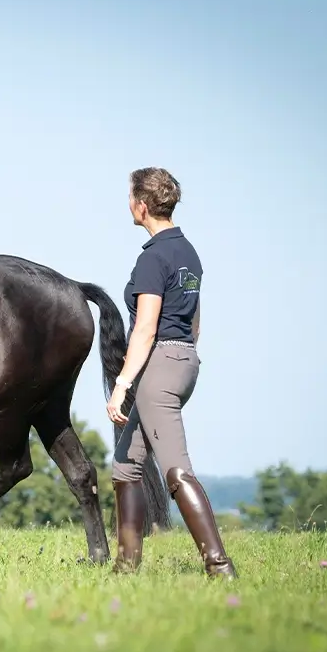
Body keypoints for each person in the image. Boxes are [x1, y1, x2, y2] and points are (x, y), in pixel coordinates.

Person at [105, 167, 237, 578]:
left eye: (131, 197)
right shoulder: (187, 252)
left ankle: (219, 566)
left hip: (158, 365)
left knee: (176, 472)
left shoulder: (153, 258)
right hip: (184, 360)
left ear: (142, 206)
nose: (129, 203)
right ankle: (126, 567)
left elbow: (145, 328)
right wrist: (181, 358)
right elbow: (194, 321)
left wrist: (122, 384)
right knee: (127, 466)